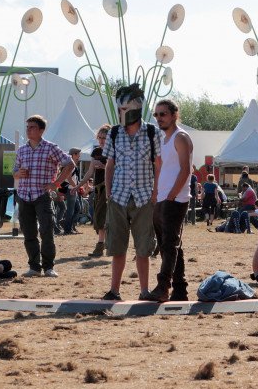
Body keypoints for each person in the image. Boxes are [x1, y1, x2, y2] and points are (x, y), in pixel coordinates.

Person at [100, 84, 162, 300]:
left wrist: (155, 192)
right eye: (119, 110)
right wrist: (108, 193)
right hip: (118, 196)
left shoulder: (152, 132)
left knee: (143, 247)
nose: (120, 114)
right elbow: (109, 164)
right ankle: (114, 290)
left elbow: (158, 164)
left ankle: (144, 290)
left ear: (136, 109)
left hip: (145, 197)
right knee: (117, 247)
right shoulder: (115, 133)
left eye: (124, 110)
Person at [12, 115, 74, 278]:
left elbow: (70, 164)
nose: (28, 130)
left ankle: (48, 267)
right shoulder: (21, 150)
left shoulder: (50, 147)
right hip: (24, 195)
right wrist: (18, 173)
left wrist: (57, 183)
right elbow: (14, 172)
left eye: (32, 127)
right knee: (28, 233)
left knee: (46, 231)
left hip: (42, 195)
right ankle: (34, 267)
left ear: (41, 130)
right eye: (27, 127)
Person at [146, 98, 193, 302]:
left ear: (174, 114)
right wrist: (156, 193)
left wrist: (173, 194)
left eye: (163, 114)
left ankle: (163, 286)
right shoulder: (162, 139)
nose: (158, 118)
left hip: (175, 198)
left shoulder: (180, 137)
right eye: (156, 115)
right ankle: (180, 289)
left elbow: (186, 169)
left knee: (169, 244)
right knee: (171, 245)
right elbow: (160, 168)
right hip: (163, 197)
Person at [80, 125, 111, 257]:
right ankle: (103, 244)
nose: (102, 140)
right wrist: (78, 185)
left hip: (110, 188)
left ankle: (103, 246)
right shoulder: (96, 152)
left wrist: (105, 166)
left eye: (105, 137)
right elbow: (90, 171)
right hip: (98, 188)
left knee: (106, 217)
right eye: (100, 137)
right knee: (98, 217)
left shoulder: (113, 151)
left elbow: (119, 170)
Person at [61, 148, 83, 235]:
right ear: (74, 154)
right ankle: (67, 229)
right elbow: (69, 178)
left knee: (77, 209)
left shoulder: (72, 163)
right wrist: (76, 187)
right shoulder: (70, 164)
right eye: (78, 154)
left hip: (72, 189)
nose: (79, 155)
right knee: (71, 210)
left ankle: (68, 225)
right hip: (71, 189)